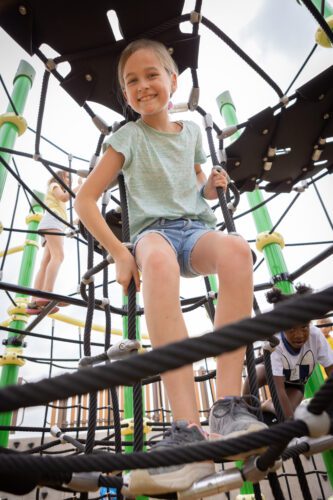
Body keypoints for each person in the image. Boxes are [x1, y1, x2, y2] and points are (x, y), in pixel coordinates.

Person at [75, 38, 266, 496]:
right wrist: (120, 253)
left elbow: (196, 193)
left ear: (172, 81)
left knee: (239, 248)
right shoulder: (127, 137)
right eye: (131, 82)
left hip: (195, 229)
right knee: (157, 263)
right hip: (153, 234)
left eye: (151, 75)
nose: (142, 87)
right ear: (125, 94)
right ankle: (187, 428)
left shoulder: (193, 133)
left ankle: (227, 405)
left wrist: (212, 188)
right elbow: (85, 200)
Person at [243, 285, 333, 420]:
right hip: (272, 376)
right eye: (291, 329)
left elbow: (330, 370)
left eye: (304, 327)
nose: (299, 335)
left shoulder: (315, 336)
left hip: (296, 383)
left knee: (286, 412)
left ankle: (267, 405)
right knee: (255, 375)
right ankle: (244, 410)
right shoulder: (276, 342)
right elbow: (278, 390)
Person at [27, 170, 82, 313]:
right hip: (52, 222)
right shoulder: (54, 184)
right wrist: (78, 187)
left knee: (46, 261)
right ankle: (47, 293)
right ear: (60, 176)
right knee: (58, 256)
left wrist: (77, 222)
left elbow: (61, 208)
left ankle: (35, 300)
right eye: (68, 177)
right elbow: (64, 197)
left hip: (51, 222)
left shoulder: (55, 194)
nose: (69, 181)